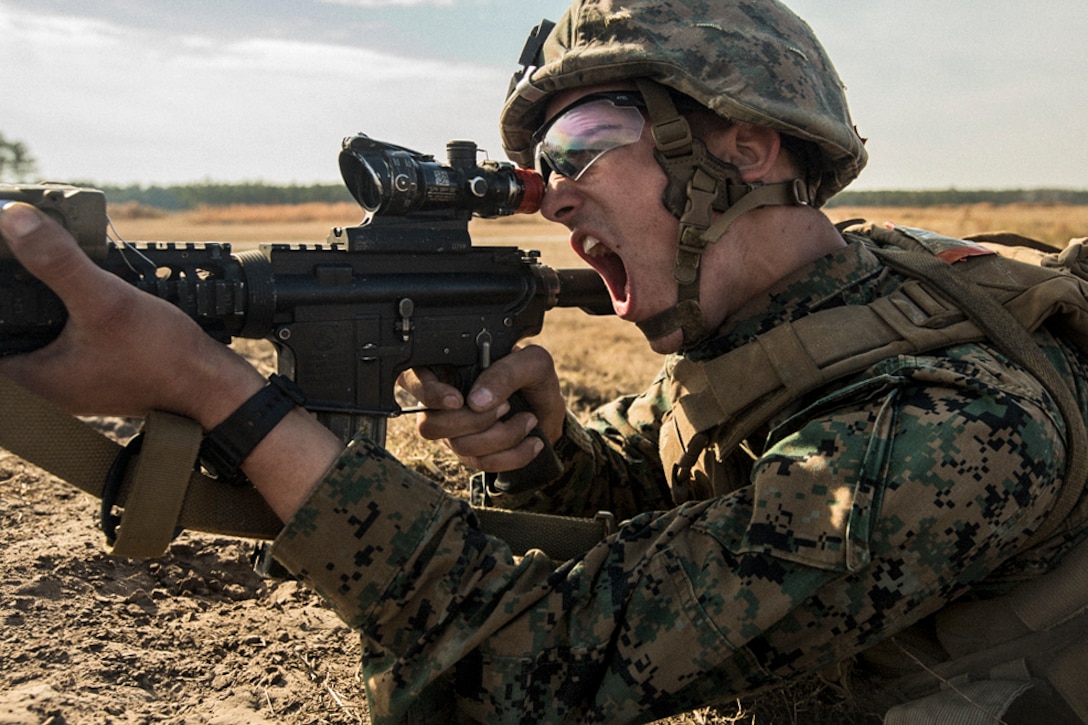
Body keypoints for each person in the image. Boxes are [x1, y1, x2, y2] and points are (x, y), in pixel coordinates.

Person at [1, 1, 1085, 723]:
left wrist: (212, 388)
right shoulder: (809, 316)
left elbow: (529, 676)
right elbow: (680, 485)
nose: (550, 191)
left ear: (745, 147)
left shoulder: (946, 421)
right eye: (535, 165)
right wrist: (547, 459)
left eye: (581, 143)